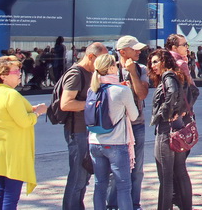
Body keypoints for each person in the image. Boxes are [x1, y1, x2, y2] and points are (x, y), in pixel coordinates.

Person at [0, 56, 47, 209]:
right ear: (3, 75)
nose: (19, 73)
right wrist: (38, 112)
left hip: (0, 148)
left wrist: (30, 110)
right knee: (10, 197)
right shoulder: (11, 95)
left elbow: (8, 114)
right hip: (14, 151)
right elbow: (25, 121)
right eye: (15, 71)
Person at [88, 54, 140, 210]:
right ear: (111, 68)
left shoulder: (93, 89)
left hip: (95, 142)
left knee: (99, 184)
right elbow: (134, 116)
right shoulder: (122, 90)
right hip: (116, 142)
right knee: (123, 186)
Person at [61, 42, 108, 210]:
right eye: (102, 59)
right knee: (78, 176)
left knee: (84, 176)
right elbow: (66, 104)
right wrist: (93, 103)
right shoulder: (76, 74)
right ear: (90, 56)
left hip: (86, 130)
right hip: (77, 131)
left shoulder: (89, 73)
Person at [148, 49, 192, 210]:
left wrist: (166, 113)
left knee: (166, 177)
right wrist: (181, 110)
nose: (153, 66)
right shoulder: (178, 75)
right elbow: (192, 91)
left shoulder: (168, 76)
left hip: (167, 131)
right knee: (180, 172)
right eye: (151, 62)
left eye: (155, 62)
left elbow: (173, 92)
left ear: (164, 61)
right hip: (178, 128)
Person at [110, 36, 149, 210]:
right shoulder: (109, 69)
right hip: (114, 125)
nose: (139, 52)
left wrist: (133, 72)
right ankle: (112, 204)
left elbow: (142, 94)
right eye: (135, 49)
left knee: (137, 169)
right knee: (116, 169)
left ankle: (134, 204)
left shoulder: (141, 69)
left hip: (136, 124)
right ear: (123, 52)